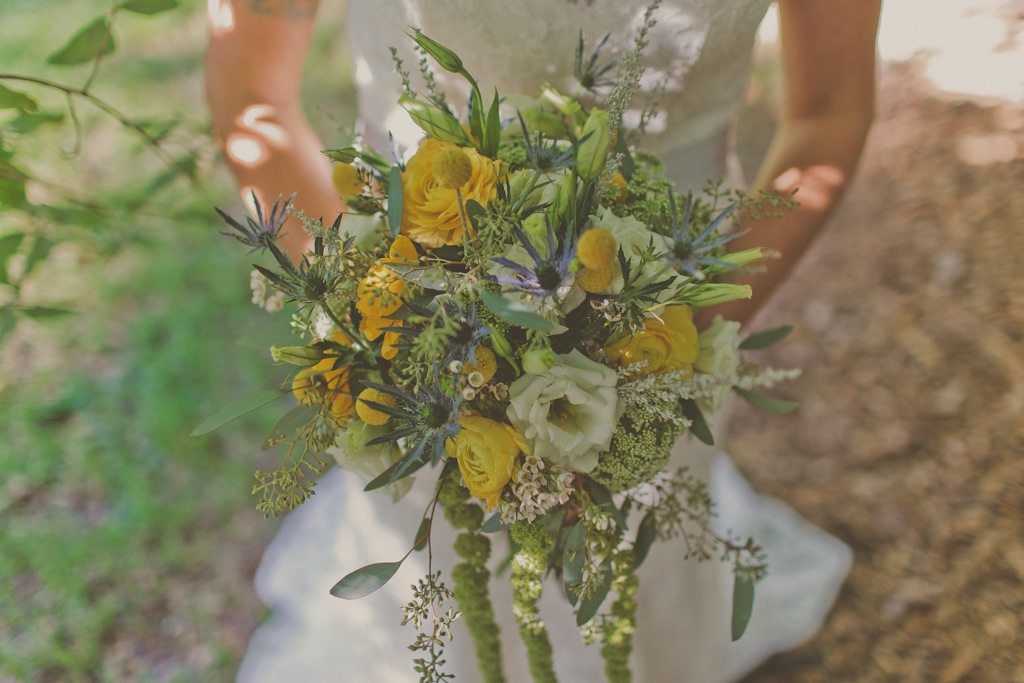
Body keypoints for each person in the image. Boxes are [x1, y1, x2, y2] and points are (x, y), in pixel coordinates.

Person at [206, 1, 881, 681]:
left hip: (668, 328)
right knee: (455, 577)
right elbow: (251, 93)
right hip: (424, 343)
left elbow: (830, 113)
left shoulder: (670, 344)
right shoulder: (406, 333)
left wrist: (672, 340)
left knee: (644, 576)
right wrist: (377, 310)